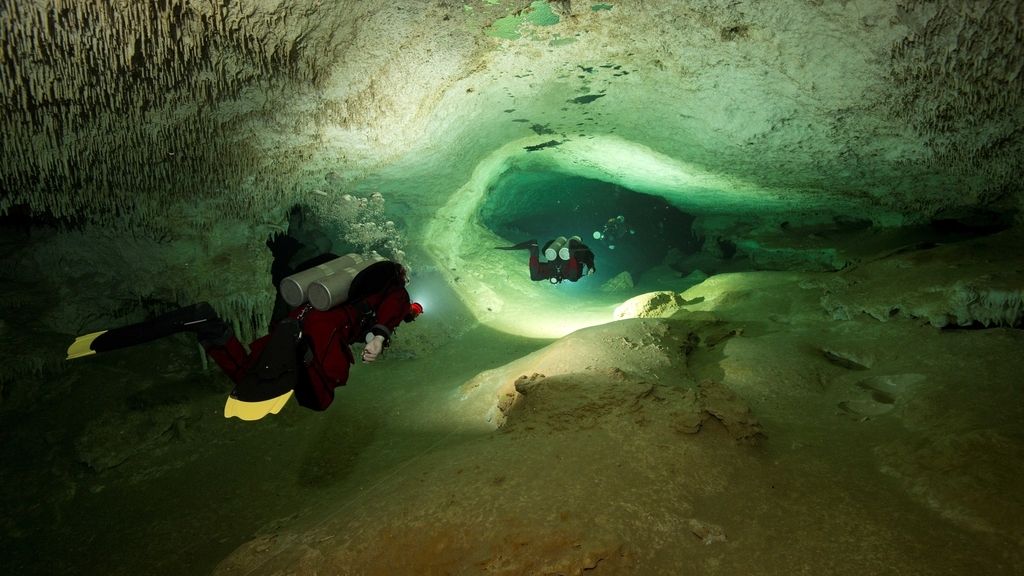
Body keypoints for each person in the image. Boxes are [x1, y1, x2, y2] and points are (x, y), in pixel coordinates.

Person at [66, 232, 423, 419]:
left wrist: (406, 316)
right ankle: (295, 352)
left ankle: (210, 327)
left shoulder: (351, 276)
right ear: (401, 273)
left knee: (254, 371)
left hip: (295, 317)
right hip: (323, 329)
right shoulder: (394, 289)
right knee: (321, 398)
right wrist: (379, 336)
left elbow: (400, 311)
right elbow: (394, 308)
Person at [496, 235, 597, 284]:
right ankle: (570, 254)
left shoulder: (579, 250)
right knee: (573, 278)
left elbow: (546, 250)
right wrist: (591, 267)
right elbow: (589, 258)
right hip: (565, 266)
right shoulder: (582, 250)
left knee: (535, 277)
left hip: (553, 266)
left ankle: (533, 248)